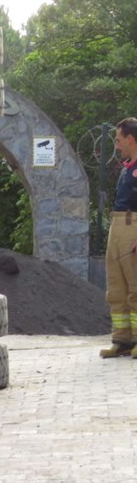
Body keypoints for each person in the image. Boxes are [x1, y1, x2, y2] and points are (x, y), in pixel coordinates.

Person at [102, 118, 137, 358]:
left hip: (133, 227)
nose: (117, 145)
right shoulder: (127, 168)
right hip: (117, 226)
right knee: (116, 288)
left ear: (130, 139)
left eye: (118, 140)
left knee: (135, 287)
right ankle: (122, 340)